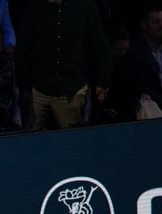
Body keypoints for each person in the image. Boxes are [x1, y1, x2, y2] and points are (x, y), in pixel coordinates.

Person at [15, 0, 111, 130]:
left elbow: (100, 45)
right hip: (39, 89)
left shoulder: (85, 6)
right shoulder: (35, 7)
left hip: (71, 88)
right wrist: (25, 85)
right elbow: (23, 47)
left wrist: (103, 80)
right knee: (27, 141)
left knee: (72, 144)